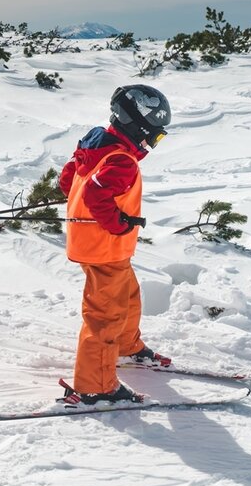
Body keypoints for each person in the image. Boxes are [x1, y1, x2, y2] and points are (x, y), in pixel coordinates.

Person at [58, 85, 172, 404]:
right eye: (155, 137)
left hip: (103, 247)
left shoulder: (98, 143)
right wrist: (117, 222)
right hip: (103, 247)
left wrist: (89, 202)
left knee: (128, 295)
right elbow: (96, 194)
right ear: (138, 128)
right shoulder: (122, 160)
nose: (153, 144)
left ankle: (126, 346)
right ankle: (96, 385)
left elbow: (69, 180)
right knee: (105, 315)